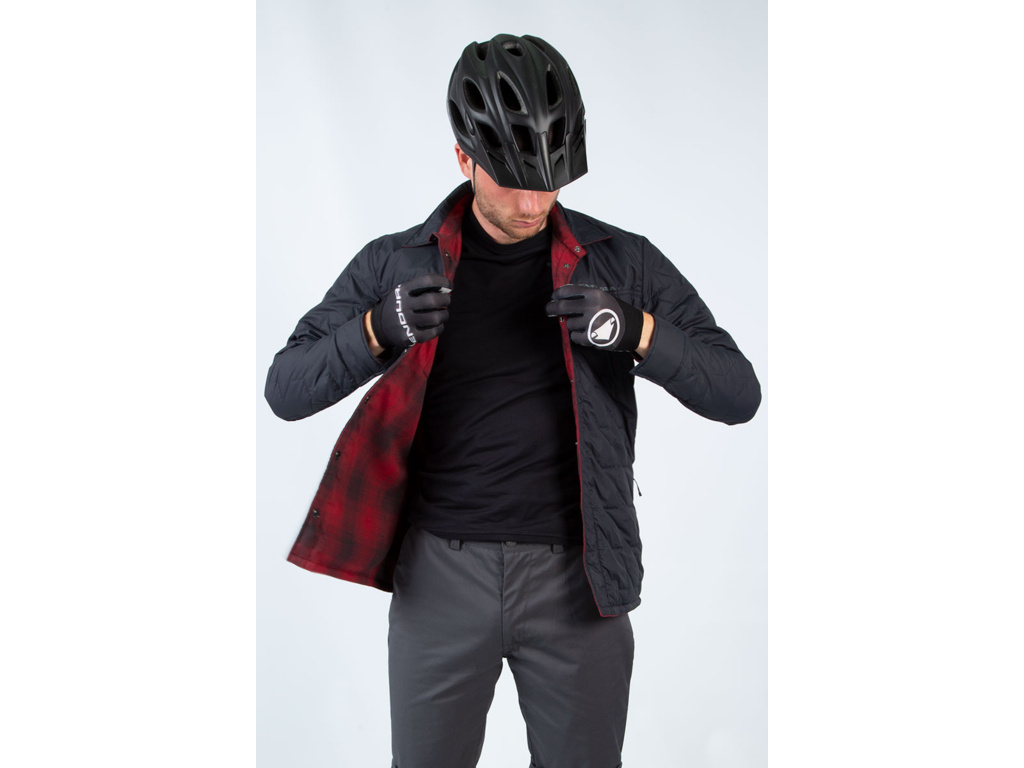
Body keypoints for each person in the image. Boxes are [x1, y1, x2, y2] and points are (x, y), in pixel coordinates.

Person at [265, 32, 760, 768]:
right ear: (463, 159)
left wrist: (637, 331)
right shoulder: (396, 262)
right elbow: (286, 388)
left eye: (550, 181)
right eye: (511, 180)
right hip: (440, 579)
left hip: (579, 582)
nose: (532, 203)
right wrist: (377, 329)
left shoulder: (622, 263)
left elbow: (737, 392)